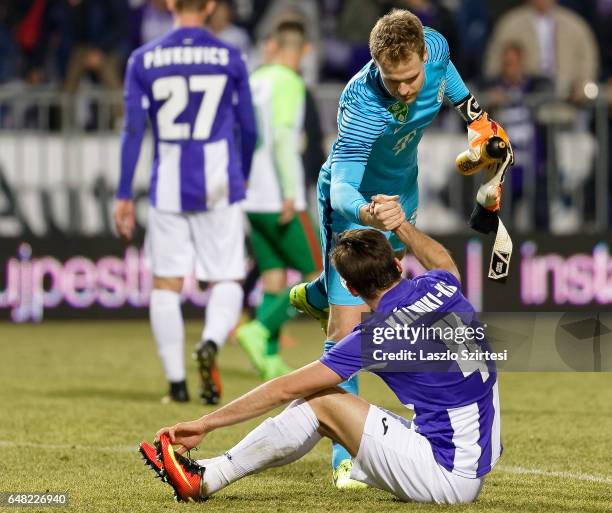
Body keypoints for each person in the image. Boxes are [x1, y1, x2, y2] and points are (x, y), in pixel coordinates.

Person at [141, 200, 502, 504]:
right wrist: (402, 226)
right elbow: (442, 260)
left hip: (447, 474)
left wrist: (205, 423)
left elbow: (285, 388)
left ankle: (208, 477)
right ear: (397, 263)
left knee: (321, 401)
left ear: (348, 287)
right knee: (332, 400)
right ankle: (209, 473)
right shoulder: (440, 286)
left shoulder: (375, 335)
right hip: (465, 458)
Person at [287, 8, 510, 487]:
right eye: (394, 81)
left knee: (385, 302)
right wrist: (367, 212)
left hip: (404, 195)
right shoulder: (360, 102)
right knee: (350, 325)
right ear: (376, 67)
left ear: (423, 55)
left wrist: (477, 121)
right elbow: (343, 182)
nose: (405, 89)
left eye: (411, 78)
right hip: (356, 206)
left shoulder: (438, 49)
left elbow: (453, 86)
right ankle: (344, 461)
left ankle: (323, 292)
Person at [114, 0, 257, 405]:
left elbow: (132, 131)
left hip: (169, 185)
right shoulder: (229, 56)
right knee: (228, 277)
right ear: (210, 5)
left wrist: (124, 193)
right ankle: (210, 341)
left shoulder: (144, 58)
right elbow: (249, 126)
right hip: (218, 181)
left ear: (169, 4)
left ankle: (176, 384)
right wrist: (242, 170)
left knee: (166, 283)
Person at [237, 20, 322, 381]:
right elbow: (284, 138)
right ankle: (258, 329)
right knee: (320, 273)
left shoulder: (255, 81)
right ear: (304, 51)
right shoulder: (289, 82)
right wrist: (291, 192)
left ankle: (268, 359)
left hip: (251, 197)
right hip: (277, 196)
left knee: (272, 278)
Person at [484, 0, 600, 101]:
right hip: (525, 106)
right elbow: (493, 67)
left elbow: (589, 63)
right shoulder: (509, 26)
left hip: (569, 104)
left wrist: (583, 85)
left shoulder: (576, 26)